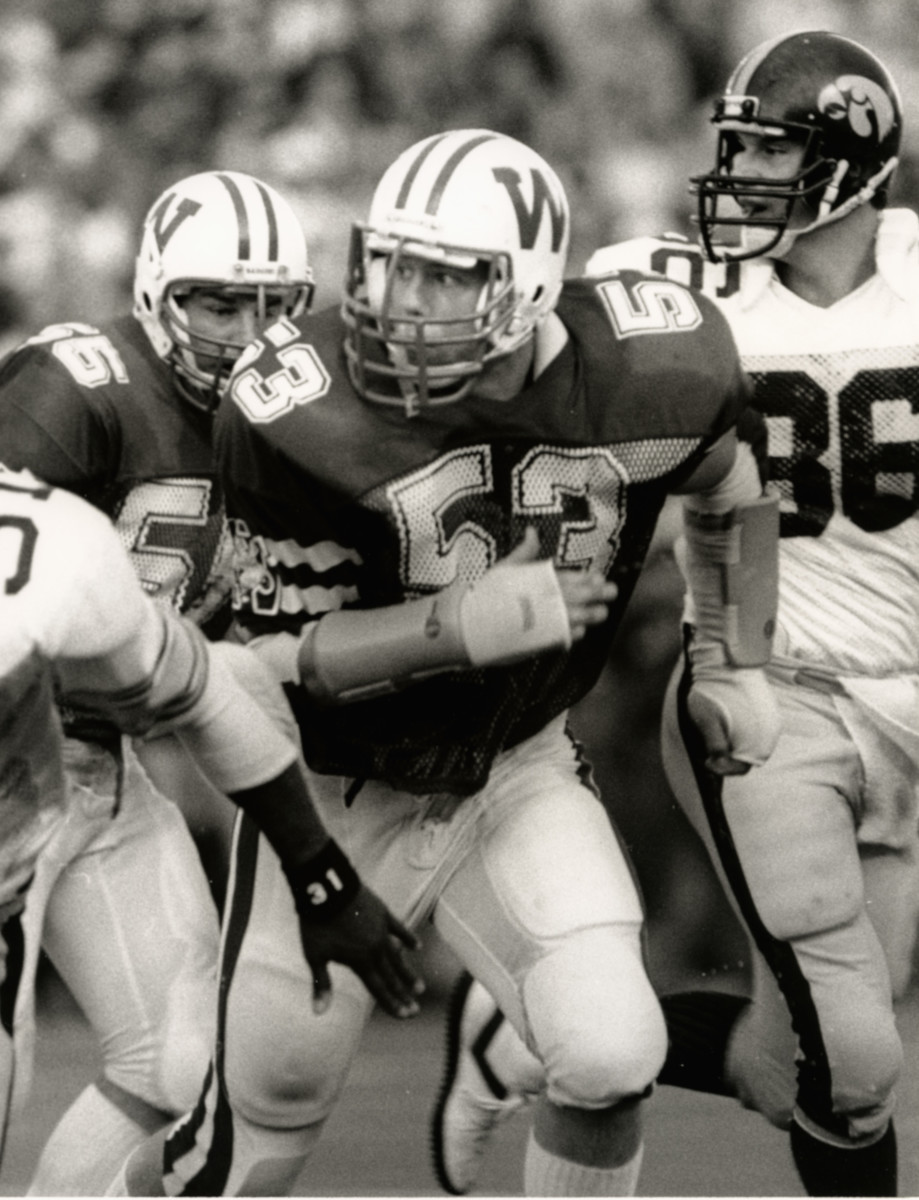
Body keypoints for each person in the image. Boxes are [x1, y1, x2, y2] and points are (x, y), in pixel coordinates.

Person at [108, 128, 780, 1198]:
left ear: (527, 287)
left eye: (442, 275)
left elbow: (730, 485)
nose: (397, 299)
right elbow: (242, 672)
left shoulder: (655, 371)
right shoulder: (297, 410)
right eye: (390, 263)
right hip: (332, 792)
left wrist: (738, 656)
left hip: (516, 766)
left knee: (611, 1053)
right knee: (256, 1142)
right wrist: (452, 628)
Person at [430, 31, 919, 1200]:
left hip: (904, 700)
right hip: (762, 686)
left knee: (820, 1063)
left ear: (856, 163)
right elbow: (533, 375)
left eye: (767, 148)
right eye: (735, 146)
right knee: (852, 1061)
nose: (739, 173)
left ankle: (528, 1033)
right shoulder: (669, 290)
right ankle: (554, 1028)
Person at [0, 169, 315, 1195]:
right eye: (221, 301)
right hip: (13, 762)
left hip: (110, 764)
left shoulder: (301, 417)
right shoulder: (76, 386)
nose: (250, 332)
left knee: (185, 1067)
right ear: (157, 292)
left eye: (275, 306)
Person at [0, 467, 418, 1169]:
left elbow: (201, 698)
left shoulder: (68, 553)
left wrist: (324, 879)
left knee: (180, 1057)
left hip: (29, 833)